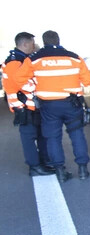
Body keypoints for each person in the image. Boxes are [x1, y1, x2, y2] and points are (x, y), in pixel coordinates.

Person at [16, 30, 90, 182]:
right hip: (72, 104)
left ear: (44, 42)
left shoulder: (34, 59)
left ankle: (60, 172)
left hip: (49, 106)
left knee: (53, 138)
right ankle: (83, 170)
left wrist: (34, 89)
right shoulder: (74, 57)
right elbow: (88, 80)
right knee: (77, 135)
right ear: (58, 41)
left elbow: (18, 78)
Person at [2, 32, 53, 176]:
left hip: (28, 105)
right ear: (24, 44)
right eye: (32, 43)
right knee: (29, 138)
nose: (34, 46)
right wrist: (36, 88)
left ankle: (42, 162)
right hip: (24, 106)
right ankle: (35, 166)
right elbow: (18, 83)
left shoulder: (22, 59)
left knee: (39, 135)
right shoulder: (15, 61)